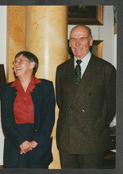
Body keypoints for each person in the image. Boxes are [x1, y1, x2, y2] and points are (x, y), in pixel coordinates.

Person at [56, 25, 116, 169]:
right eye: (73, 39)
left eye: (82, 38)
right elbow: (61, 102)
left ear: (90, 41)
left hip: (92, 139)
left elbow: (111, 107)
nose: (77, 43)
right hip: (67, 139)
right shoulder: (62, 69)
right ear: (69, 43)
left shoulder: (106, 69)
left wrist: (94, 124)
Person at [1, 51, 55, 168]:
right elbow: (6, 120)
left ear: (32, 65)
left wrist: (35, 142)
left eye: (20, 61)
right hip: (15, 140)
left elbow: (49, 118)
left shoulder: (46, 86)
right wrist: (21, 142)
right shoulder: (7, 89)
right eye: (15, 62)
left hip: (38, 141)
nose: (16, 65)